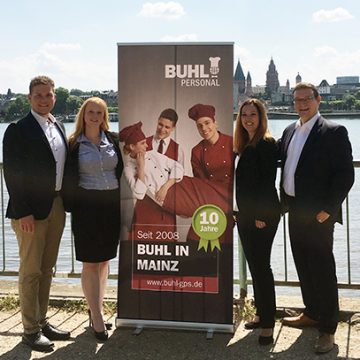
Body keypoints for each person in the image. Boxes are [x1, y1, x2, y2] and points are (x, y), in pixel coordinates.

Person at [279, 82, 354, 354]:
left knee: (322, 270)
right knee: (303, 264)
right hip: (294, 210)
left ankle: (328, 329)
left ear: (318, 99)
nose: (301, 104)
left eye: (306, 99)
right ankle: (311, 312)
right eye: (297, 100)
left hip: (319, 214)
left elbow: (346, 175)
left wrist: (328, 210)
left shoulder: (334, 132)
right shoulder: (289, 131)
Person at [2, 75, 70, 352]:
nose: (44, 99)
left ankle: (42, 322)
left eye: (49, 95)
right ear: (30, 98)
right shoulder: (18, 129)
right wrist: (24, 212)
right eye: (39, 95)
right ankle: (30, 331)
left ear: (54, 97)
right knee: (31, 271)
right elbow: (13, 174)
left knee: (47, 269)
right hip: (29, 211)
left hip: (56, 206)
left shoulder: (59, 125)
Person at [63, 97, 123, 341]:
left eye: (100, 112)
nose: (95, 116)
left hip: (111, 205)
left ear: (105, 115)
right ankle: (97, 317)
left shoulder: (114, 140)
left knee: (105, 260)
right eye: (91, 111)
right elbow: (67, 176)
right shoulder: (73, 144)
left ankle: (95, 308)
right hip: (86, 207)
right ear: (83, 114)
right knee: (90, 261)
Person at [234, 99, 280, 345]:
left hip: (262, 217)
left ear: (262, 117)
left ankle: (269, 325)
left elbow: (266, 183)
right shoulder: (243, 144)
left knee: (262, 269)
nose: (248, 119)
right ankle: (262, 314)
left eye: (253, 114)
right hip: (245, 215)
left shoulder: (266, 144)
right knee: (255, 267)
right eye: (244, 115)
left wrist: (261, 217)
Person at [120, 121, 184, 240]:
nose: (147, 146)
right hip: (146, 211)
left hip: (166, 208)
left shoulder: (154, 155)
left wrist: (165, 187)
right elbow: (139, 194)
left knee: (167, 248)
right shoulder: (128, 169)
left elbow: (178, 167)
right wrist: (141, 168)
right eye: (143, 143)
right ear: (132, 146)